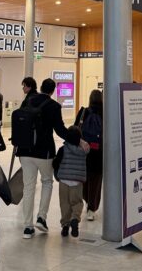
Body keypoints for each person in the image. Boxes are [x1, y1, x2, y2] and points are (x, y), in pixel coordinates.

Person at [17, 78, 86, 239]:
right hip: (44, 152)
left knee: (28, 187)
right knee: (47, 182)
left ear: (41, 88)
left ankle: (27, 227)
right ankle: (41, 218)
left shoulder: (28, 100)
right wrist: (78, 140)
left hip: (25, 150)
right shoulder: (54, 106)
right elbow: (60, 129)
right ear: (53, 91)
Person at [74, 89, 103, 220]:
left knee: (84, 178)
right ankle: (92, 208)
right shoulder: (105, 113)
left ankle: (86, 200)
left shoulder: (83, 111)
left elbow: (75, 129)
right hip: (99, 152)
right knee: (96, 180)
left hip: (84, 150)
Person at [54, 126, 87, 238]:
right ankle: (75, 219)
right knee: (77, 202)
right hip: (77, 182)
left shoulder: (62, 150)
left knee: (64, 204)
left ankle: (65, 226)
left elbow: (55, 163)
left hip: (64, 180)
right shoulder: (83, 151)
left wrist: (57, 174)